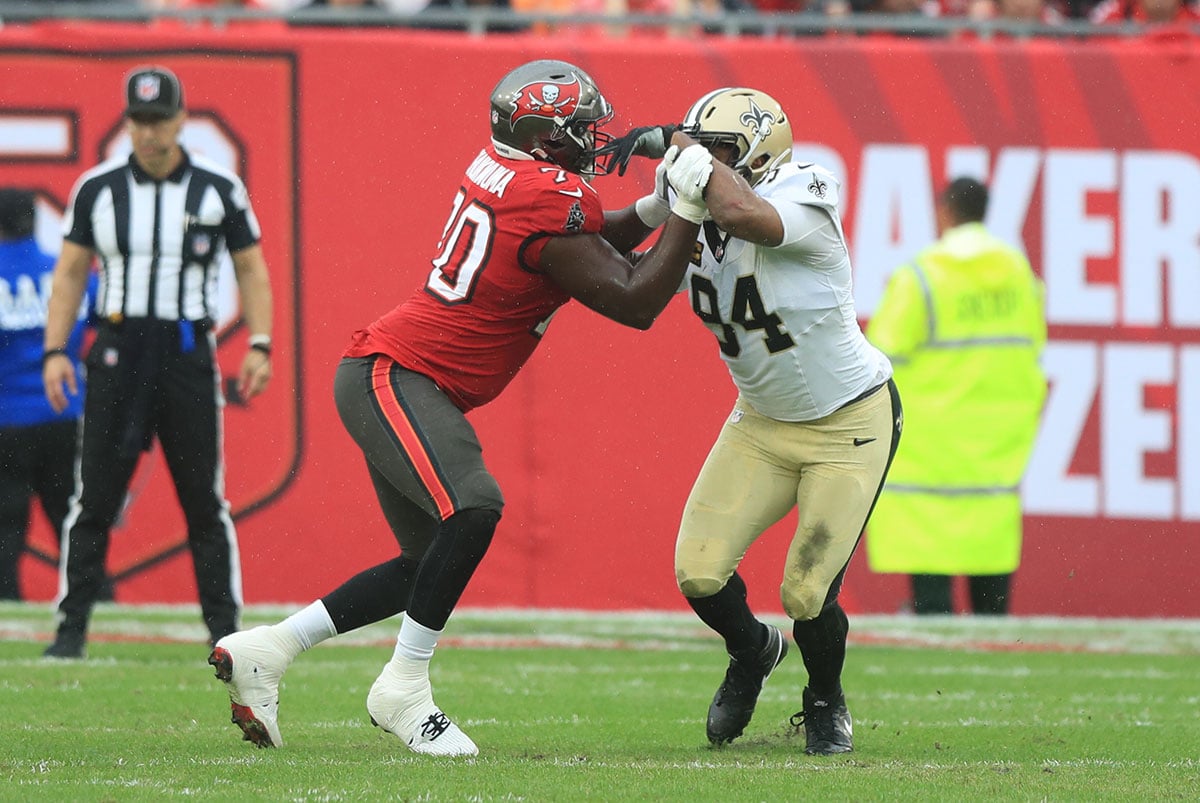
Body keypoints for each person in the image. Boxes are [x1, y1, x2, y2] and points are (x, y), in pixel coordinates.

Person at [208, 59, 708, 757]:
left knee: (425, 564)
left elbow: (586, 252)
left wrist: (655, 210)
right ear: (544, 137)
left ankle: (269, 650)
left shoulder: (517, 176)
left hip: (394, 376)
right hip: (396, 374)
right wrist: (688, 211)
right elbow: (633, 299)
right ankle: (404, 687)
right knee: (473, 506)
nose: (594, 140)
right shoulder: (547, 196)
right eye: (580, 128)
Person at [608, 88, 902, 756]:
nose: (703, 159)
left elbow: (744, 212)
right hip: (761, 423)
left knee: (806, 592)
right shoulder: (696, 200)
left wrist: (678, 146)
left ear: (760, 153)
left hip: (849, 422)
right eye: (700, 145)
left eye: (719, 150)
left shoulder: (805, 189)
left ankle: (824, 698)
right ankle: (752, 649)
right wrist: (655, 205)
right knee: (698, 572)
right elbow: (622, 267)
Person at [41, 65, 275, 658]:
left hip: (185, 353)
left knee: (203, 501)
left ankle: (224, 633)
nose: (150, 133)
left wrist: (260, 342)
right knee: (94, 499)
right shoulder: (98, 189)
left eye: (160, 120)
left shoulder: (218, 188)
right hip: (117, 351)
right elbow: (70, 273)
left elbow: (251, 267)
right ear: (128, 123)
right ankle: (70, 631)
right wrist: (55, 350)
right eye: (140, 121)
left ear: (180, 120)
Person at [864, 177, 1046, 616]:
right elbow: (1033, 349)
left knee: (932, 610)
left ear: (944, 211)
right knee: (992, 614)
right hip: (994, 456)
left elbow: (875, 358)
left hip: (929, 461)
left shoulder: (922, 277)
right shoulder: (1020, 276)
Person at [0, 189, 91, 601]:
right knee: (73, 519)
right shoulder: (64, 272)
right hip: (62, 414)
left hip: (7, 420)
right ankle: (93, 602)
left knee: (5, 528)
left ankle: (7, 611)